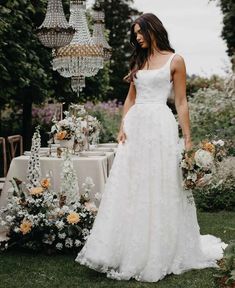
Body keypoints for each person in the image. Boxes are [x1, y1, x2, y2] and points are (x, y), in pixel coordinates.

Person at [75, 13, 226, 282]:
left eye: (140, 32)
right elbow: (130, 98)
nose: (137, 37)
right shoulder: (140, 60)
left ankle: (159, 248)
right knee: (130, 185)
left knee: (160, 183)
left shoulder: (175, 60)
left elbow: (181, 102)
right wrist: (123, 125)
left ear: (152, 29)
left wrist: (188, 138)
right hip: (136, 127)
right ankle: (121, 247)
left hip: (160, 126)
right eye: (135, 34)